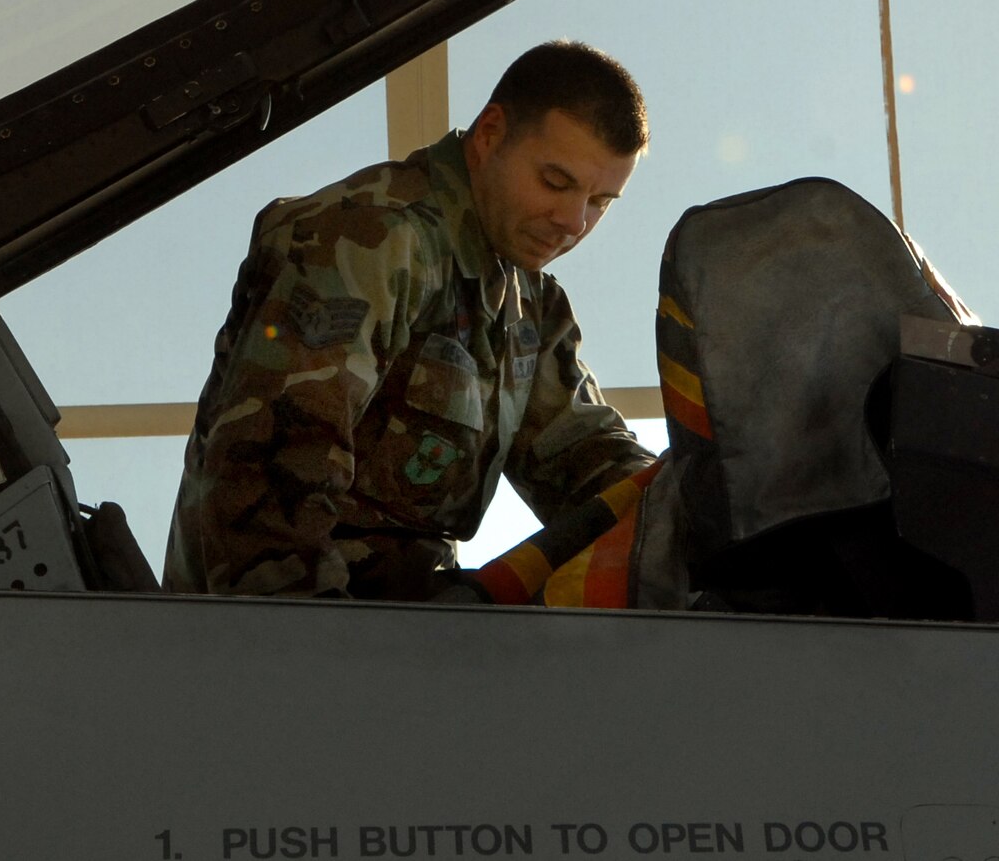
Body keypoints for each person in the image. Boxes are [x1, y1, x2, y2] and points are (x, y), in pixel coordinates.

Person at [163, 40, 655, 599]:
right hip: (285, 637)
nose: (573, 221)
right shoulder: (369, 236)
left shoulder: (529, 303)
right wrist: (323, 654)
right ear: (490, 135)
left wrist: (694, 501)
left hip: (401, 632)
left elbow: (586, 461)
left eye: (601, 202)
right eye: (556, 182)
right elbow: (273, 477)